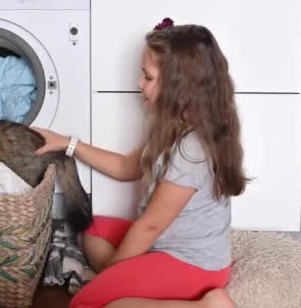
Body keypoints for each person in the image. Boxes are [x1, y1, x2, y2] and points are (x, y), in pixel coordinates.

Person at [32, 18, 246, 308]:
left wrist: (111, 274)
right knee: (91, 229)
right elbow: (126, 168)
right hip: (162, 246)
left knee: (83, 304)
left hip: (193, 266)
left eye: (147, 77)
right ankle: (129, 284)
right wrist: (68, 144)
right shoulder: (172, 127)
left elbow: (149, 227)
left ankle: (207, 305)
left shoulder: (191, 150)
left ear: (177, 86)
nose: (138, 83)